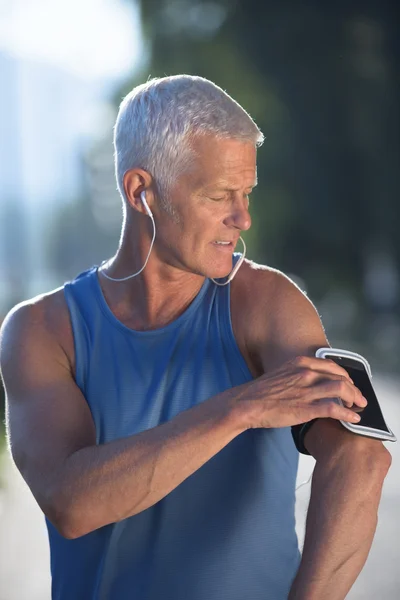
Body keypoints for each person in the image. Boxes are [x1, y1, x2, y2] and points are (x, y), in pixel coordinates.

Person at [0, 75, 391, 600]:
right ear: (141, 191)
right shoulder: (42, 329)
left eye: (246, 192)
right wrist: (241, 407)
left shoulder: (268, 304)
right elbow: (72, 505)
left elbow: (361, 458)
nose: (243, 216)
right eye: (219, 195)